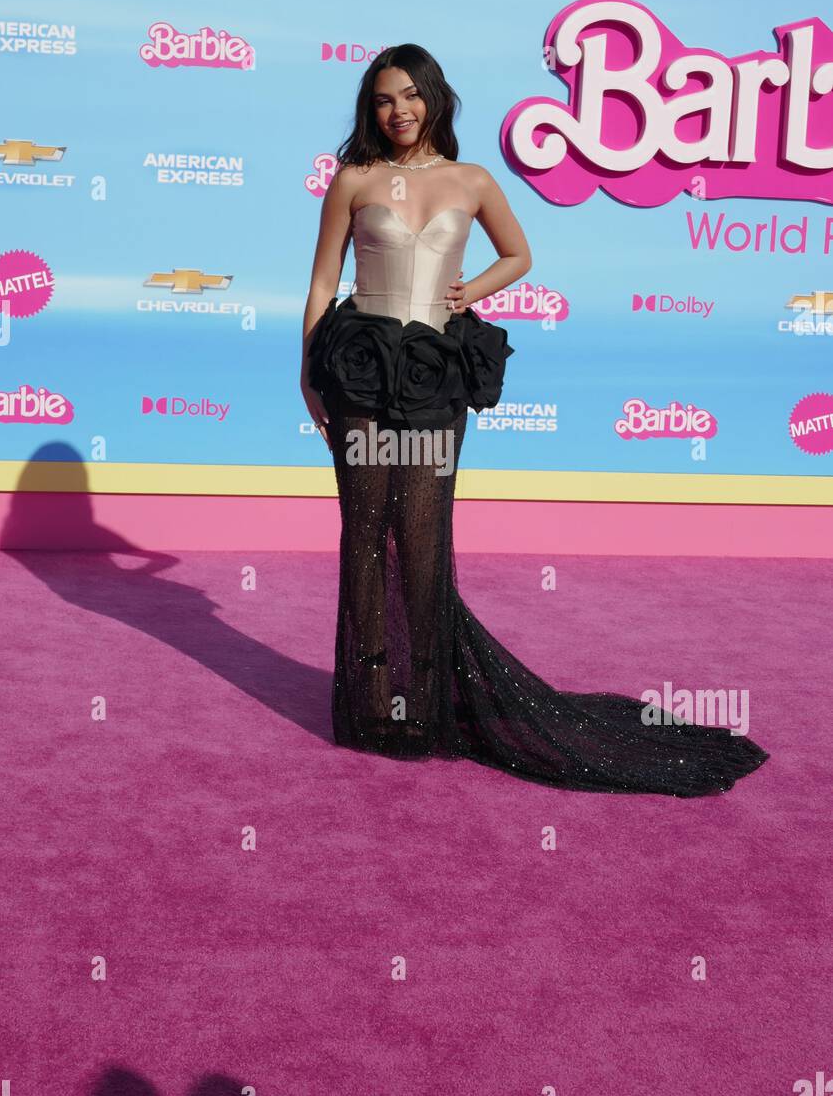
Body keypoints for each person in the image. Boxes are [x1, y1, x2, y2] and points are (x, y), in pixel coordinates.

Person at [300, 44, 769, 797]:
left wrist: (467, 291)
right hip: (357, 371)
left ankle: (421, 705)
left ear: (436, 100)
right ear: (371, 107)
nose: (400, 112)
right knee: (363, 536)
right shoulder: (352, 180)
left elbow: (519, 254)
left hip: (431, 377)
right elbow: (323, 280)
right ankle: (369, 705)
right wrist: (306, 377)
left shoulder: (472, 179)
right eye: (385, 99)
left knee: (421, 539)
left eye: (412, 96)